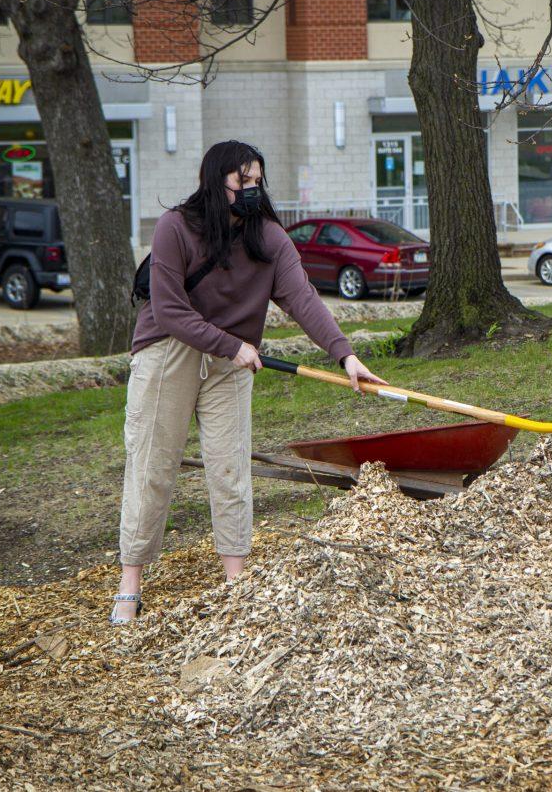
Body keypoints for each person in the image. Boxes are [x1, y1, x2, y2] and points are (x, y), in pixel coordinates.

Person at [110, 140, 386, 624]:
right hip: (168, 354)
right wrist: (233, 346)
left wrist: (345, 355)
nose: (253, 190)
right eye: (243, 181)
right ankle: (129, 583)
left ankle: (236, 581)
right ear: (217, 183)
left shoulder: (270, 238)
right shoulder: (176, 227)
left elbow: (303, 300)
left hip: (232, 363)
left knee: (230, 469)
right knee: (152, 466)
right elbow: (171, 310)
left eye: (258, 180)